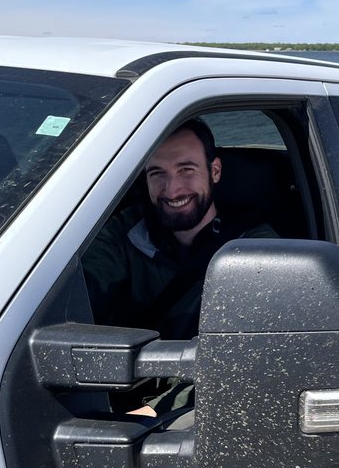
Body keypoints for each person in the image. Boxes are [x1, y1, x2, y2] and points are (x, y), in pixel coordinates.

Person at [83, 118, 276, 415]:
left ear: (214, 171)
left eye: (186, 170)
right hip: (106, 396)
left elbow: (244, 363)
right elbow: (80, 290)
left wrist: (150, 416)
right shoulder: (123, 232)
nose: (172, 190)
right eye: (157, 173)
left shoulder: (255, 252)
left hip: (189, 414)